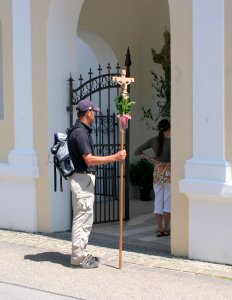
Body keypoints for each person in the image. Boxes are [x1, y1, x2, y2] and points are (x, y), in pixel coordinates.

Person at [67, 99, 127, 269]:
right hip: (81, 179)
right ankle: (78, 257)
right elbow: (89, 159)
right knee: (82, 218)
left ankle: (82, 253)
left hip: (82, 179)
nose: (95, 115)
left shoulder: (80, 131)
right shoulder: (79, 133)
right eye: (94, 112)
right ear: (88, 112)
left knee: (86, 217)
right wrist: (114, 157)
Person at [134, 119, 171, 238]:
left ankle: (159, 228)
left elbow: (137, 151)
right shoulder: (171, 142)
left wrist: (151, 159)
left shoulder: (153, 140)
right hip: (169, 171)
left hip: (157, 171)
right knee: (168, 200)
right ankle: (166, 228)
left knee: (158, 200)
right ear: (168, 129)